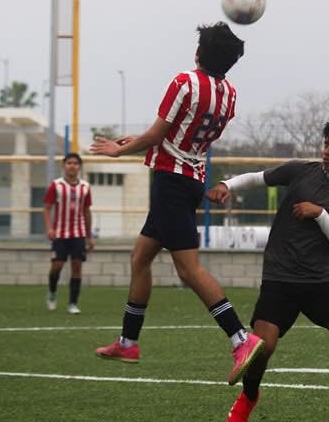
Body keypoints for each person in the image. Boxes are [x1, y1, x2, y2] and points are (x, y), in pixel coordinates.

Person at [89, 22, 263, 385]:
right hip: (190, 180)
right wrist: (143, 140)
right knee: (140, 258)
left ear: (199, 52)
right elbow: (184, 134)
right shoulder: (229, 94)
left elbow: (159, 133)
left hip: (170, 181)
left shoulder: (185, 82)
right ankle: (128, 342)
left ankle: (240, 338)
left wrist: (119, 150)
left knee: (189, 269)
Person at [207, 116, 329, 422]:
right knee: (262, 348)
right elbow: (258, 177)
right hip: (279, 278)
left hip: (319, 281)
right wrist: (225, 185)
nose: (326, 151)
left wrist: (320, 213)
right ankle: (249, 396)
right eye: (326, 144)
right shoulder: (301, 171)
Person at [43, 152, 94, 314]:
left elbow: (87, 211)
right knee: (56, 266)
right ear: (64, 166)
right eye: (69, 163)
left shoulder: (85, 187)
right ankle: (52, 293)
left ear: (79, 167)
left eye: (75, 163)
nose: (72, 166)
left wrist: (89, 236)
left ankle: (73, 303)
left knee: (77, 267)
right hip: (60, 234)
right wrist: (49, 228)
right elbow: (46, 208)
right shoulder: (56, 185)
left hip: (78, 233)